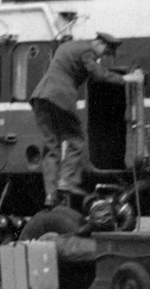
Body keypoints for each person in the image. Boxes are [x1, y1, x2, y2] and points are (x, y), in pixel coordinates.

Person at [29, 33, 127, 208]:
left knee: (51, 147)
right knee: (77, 140)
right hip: (60, 96)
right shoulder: (87, 51)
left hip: (40, 97)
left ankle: (50, 194)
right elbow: (99, 75)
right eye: (104, 51)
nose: (101, 57)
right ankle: (65, 181)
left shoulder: (68, 46)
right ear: (98, 42)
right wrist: (125, 79)